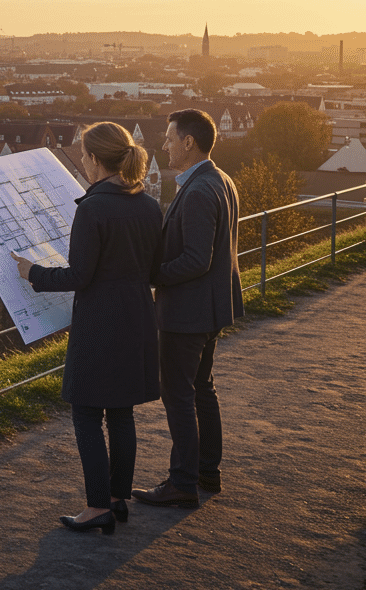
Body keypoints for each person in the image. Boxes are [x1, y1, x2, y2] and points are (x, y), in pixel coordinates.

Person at [11, 122, 161, 535]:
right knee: (122, 413)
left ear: (95, 159)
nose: (81, 161)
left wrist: (32, 272)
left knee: (86, 414)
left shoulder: (93, 208)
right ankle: (117, 498)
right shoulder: (148, 205)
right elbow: (152, 266)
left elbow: (79, 275)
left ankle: (97, 507)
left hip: (101, 322)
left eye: (83, 155)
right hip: (138, 317)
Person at [132, 108, 241, 509]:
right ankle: (207, 471)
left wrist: (152, 275)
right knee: (200, 388)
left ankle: (182, 483)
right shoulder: (220, 179)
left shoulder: (196, 191)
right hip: (213, 306)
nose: (163, 145)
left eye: (169, 138)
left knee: (177, 393)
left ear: (188, 142)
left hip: (188, 312)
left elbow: (196, 259)